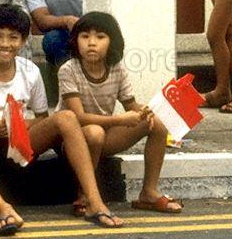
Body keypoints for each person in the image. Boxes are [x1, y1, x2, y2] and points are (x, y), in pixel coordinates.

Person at [0, 4, 124, 236]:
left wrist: (23, 125)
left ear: (23, 41)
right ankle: (5, 210)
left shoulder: (30, 71)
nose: (5, 44)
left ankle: (93, 201)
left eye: (13, 37)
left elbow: (43, 117)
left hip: (22, 139)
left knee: (65, 117)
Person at [58, 12, 181, 215]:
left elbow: (130, 104)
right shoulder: (69, 70)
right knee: (95, 132)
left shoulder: (116, 69)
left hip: (103, 134)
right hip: (74, 139)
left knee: (157, 123)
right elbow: (77, 117)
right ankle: (84, 195)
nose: (91, 43)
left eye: (100, 37)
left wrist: (148, 111)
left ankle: (148, 192)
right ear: (75, 40)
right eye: (85, 36)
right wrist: (119, 119)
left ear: (112, 42)